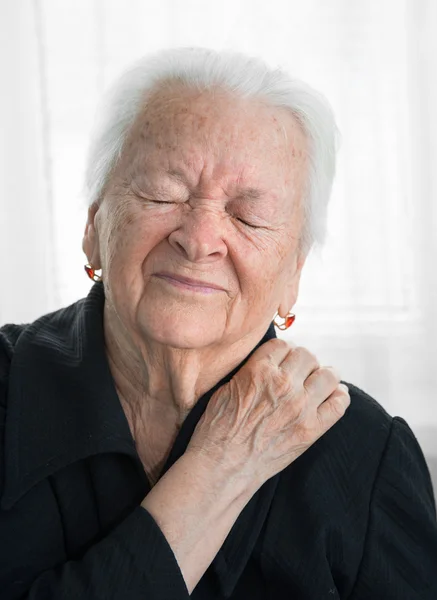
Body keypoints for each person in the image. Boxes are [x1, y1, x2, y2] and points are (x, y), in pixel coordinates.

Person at [0, 47, 436, 600]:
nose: (200, 239)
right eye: (164, 192)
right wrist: (219, 468)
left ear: (292, 276)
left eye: (249, 216)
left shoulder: (365, 453)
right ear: (94, 226)